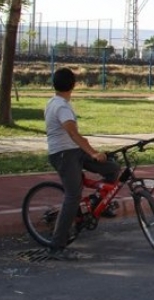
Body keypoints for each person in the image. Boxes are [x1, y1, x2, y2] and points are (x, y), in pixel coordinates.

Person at [45, 68, 119, 261]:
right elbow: (73, 133)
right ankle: (56, 246)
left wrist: (93, 153)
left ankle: (96, 204)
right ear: (74, 84)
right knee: (73, 195)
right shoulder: (61, 107)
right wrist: (93, 153)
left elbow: (75, 138)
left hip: (74, 151)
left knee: (112, 168)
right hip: (63, 155)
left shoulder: (58, 103)